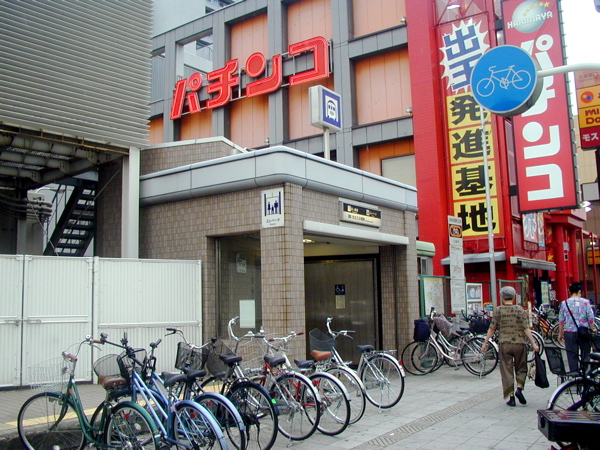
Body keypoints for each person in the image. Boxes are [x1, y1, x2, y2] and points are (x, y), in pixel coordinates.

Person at [481, 286, 540, 407]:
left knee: (506, 369)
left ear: (502, 297)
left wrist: (485, 342)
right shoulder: (519, 309)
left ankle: (511, 397)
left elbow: (492, 328)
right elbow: (526, 328)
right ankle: (519, 388)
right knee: (521, 367)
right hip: (520, 343)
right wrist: (534, 343)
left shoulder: (499, 310)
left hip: (504, 344)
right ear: (514, 297)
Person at [558, 281, 595, 373]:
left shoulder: (564, 303)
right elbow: (591, 318)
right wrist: (592, 329)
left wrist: (560, 334)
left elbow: (561, 320)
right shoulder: (586, 302)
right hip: (584, 332)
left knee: (571, 354)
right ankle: (585, 372)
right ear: (579, 291)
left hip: (569, 332)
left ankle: (574, 374)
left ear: (570, 292)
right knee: (585, 353)